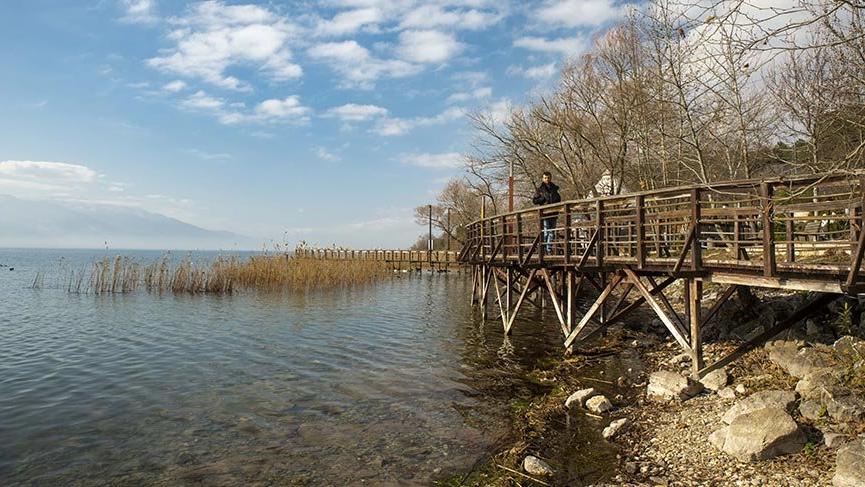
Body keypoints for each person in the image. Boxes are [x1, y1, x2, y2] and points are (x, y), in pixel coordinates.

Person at [532, 171, 561, 253]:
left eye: (548, 177)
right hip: (544, 214)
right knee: (546, 232)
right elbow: (534, 201)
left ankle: (548, 249)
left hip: (554, 213)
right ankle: (543, 249)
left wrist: (558, 207)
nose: (547, 179)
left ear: (551, 178)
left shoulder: (554, 189)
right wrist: (542, 199)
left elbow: (559, 200)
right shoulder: (540, 190)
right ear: (543, 178)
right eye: (545, 178)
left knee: (551, 232)